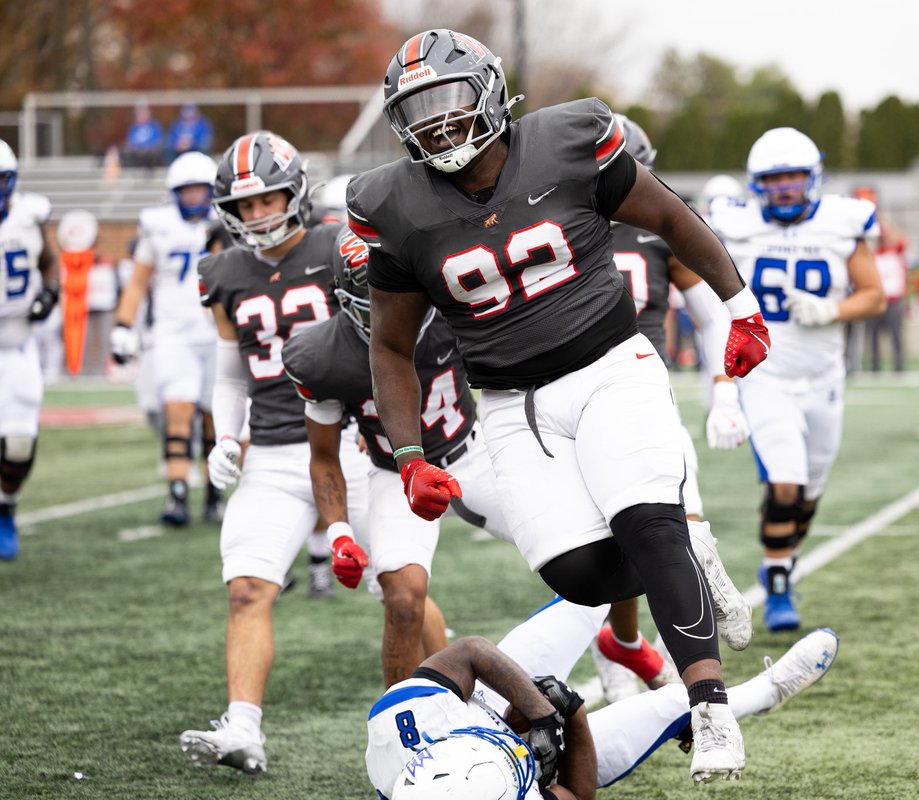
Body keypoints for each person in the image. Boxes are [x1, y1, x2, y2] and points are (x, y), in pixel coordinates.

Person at [348, 29, 771, 782]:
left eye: (448, 100)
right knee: (579, 575)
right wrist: (409, 456)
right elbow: (389, 345)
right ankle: (689, 553)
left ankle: (710, 708)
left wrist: (741, 307)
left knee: (645, 519)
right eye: (418, 111)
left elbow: (672, 218)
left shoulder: (568, 141)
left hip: (610, 364)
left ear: (489, 91)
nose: (438, 123)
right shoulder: (395, 205)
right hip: (510, 402)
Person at [178, 131, 372, 774]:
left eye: (269, 199)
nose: (258, 214)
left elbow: (384, 341)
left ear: (296, 193)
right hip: (275, 452)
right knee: (247, 588)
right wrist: (225, 435)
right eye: (246, 204)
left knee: (401, 591)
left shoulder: (338, 247)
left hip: (352, 443)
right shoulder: (223, 272)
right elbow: (232, 375)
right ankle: (242, 727)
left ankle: (458, 703)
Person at [281, 225, 516, 684]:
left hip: (472, 453)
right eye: (371, 302)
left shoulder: (451, 312)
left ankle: (624, 649)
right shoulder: (322, 356)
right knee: (402, 597)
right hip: (396, 475)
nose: (387, 313)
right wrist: (339, 533)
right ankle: (403, 720)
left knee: (572, 551)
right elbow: (324, 455)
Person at [368, 597, 839, 798]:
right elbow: (575, 794)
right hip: (537, 752)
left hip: (486, 700)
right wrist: (570, 715)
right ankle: (766, 692)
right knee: (676, 704)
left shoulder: (402, 719)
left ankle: (626, 645)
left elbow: (471, 651)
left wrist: (540, 713)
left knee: (589, 594)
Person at [592, 115, 751, 703]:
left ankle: (666, 663)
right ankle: (621, 644)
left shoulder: (659, 227)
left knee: (679, 523)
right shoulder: (556, 225)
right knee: (602, 541)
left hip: (644, 395)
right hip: (574, 400)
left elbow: (711, 314)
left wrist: (724, 391)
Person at [707, 128, 885, 632]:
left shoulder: (842, 222)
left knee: (809, 491)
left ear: (813, 178)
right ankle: (779, 581)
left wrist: (832, 310)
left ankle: (780, 561)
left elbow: (874, 294)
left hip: (823, 374)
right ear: (756, 184)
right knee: (786, 482)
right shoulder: (736, 224)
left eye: (793, 176)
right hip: (767, 373)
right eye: (774, 178)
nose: (784, 187)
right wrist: (723, 385)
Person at [110, 151, 224, 525]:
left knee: (214, 416)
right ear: (174, 193)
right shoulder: (157, 225)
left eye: (199, 190)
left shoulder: (227, 223)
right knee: (178, 410)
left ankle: (214, 492)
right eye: (186, 191)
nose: (193, 198)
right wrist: (123, 324)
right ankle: (177, 492)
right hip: (173, 333)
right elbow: (138, 281)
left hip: (218, 332)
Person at [0, 139, 59, 560]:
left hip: (17, 344)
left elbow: (49, 262)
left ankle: (5, 508)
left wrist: (51, 293)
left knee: (19, 445)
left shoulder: (29, 215)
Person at [852, 187, 909, 373]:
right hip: (876, 299)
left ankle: (899, 366)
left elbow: (900, 239)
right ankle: (875, 367)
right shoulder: (872, 254)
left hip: (894, 300)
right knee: (873, 336)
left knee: (896, 336)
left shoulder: (895, 251)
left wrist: (882, 221)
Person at [125, 103, 166, 168]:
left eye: (144, 113)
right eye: (139, 114)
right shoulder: (133, 127)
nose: (141, 116)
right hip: (136, 153)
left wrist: (147, 148)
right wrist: (137, 149)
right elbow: (129, 143)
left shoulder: (155, 126)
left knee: (153, 155)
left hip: (150, 153)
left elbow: (159, 141)